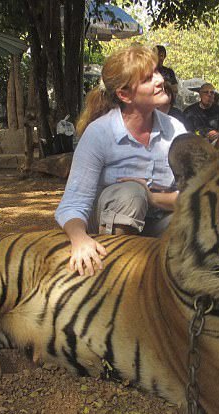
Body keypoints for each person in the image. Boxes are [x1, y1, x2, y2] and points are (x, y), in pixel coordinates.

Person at [55, 45, 186, 276]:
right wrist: (79, 239)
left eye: (157, 72)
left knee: (197, 221)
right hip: (108, 233)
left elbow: (192, 197)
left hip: (157, 226)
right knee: (131, 193)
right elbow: (72, 205)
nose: (159, 80)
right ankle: (117, 274)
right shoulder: (99, 133)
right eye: (148, 78)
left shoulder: (175, 130)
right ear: (124, 95)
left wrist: (153, 197)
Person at [183, 83, 219, 147]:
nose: (209, 95)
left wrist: (218, 134)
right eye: (206, 92)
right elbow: (186, 131)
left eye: (212, 93)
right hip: (195, 141)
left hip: (214, 141)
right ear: (200, 94)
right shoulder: (189, 111)